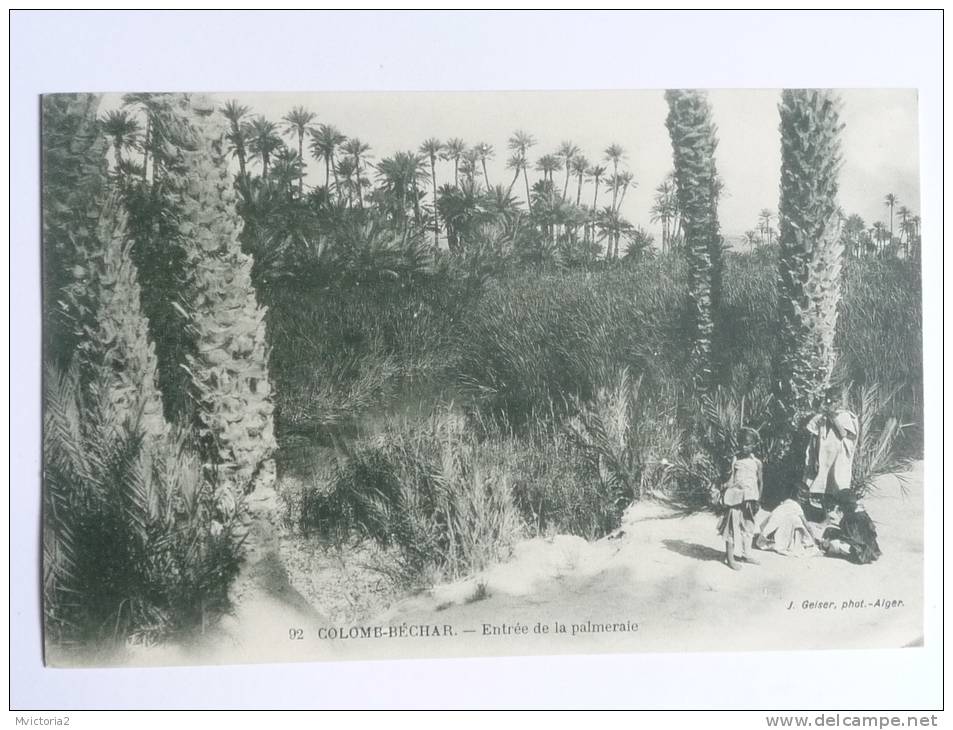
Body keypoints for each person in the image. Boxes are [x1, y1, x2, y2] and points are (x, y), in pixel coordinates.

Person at [717, 428, 763, 570]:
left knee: (748, 527)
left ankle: (746, 554)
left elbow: (760, 482)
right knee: (731, 526)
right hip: (735, 498)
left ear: (754, 445)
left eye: (748, 444)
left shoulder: (757, 463)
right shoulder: (735, 459)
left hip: (750, 499)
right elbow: (729, 477)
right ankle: (730, 558)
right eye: (741, 443)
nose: (744, 446)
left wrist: (758, 499)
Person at [816, 490, 882, 565]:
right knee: (831, 532)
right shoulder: (862, 514)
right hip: (871, 551)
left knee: (831, 534)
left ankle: (823, 548)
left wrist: (838, 536)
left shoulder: (851, 518)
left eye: (841, 505)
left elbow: (854, 537)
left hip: (861, 553)